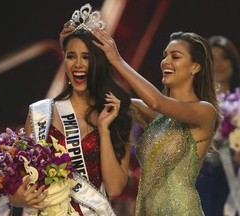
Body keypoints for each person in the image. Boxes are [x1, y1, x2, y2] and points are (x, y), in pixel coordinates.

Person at [8, 4, 135, 216]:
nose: (78, 64)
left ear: (99, 62)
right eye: (71, 56)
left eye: (86, 57)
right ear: (64, 60)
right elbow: (22, 183)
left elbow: (114, 188)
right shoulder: (40, 114)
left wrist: (103, 130)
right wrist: (17, 198)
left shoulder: (117, 115)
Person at [91, 29, 220, 215]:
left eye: (175, 56)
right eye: (165, 56)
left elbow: (157, 102)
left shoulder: (205, 111)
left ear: (195, 67)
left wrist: (117, 60)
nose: (165, 62)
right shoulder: (156, 116)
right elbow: (106, 100)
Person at [196, 35, 240, 216]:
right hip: (197, 178)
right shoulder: (192, 103)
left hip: (231, 179)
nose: (220, 63)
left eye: (225, 57)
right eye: (213, 59)